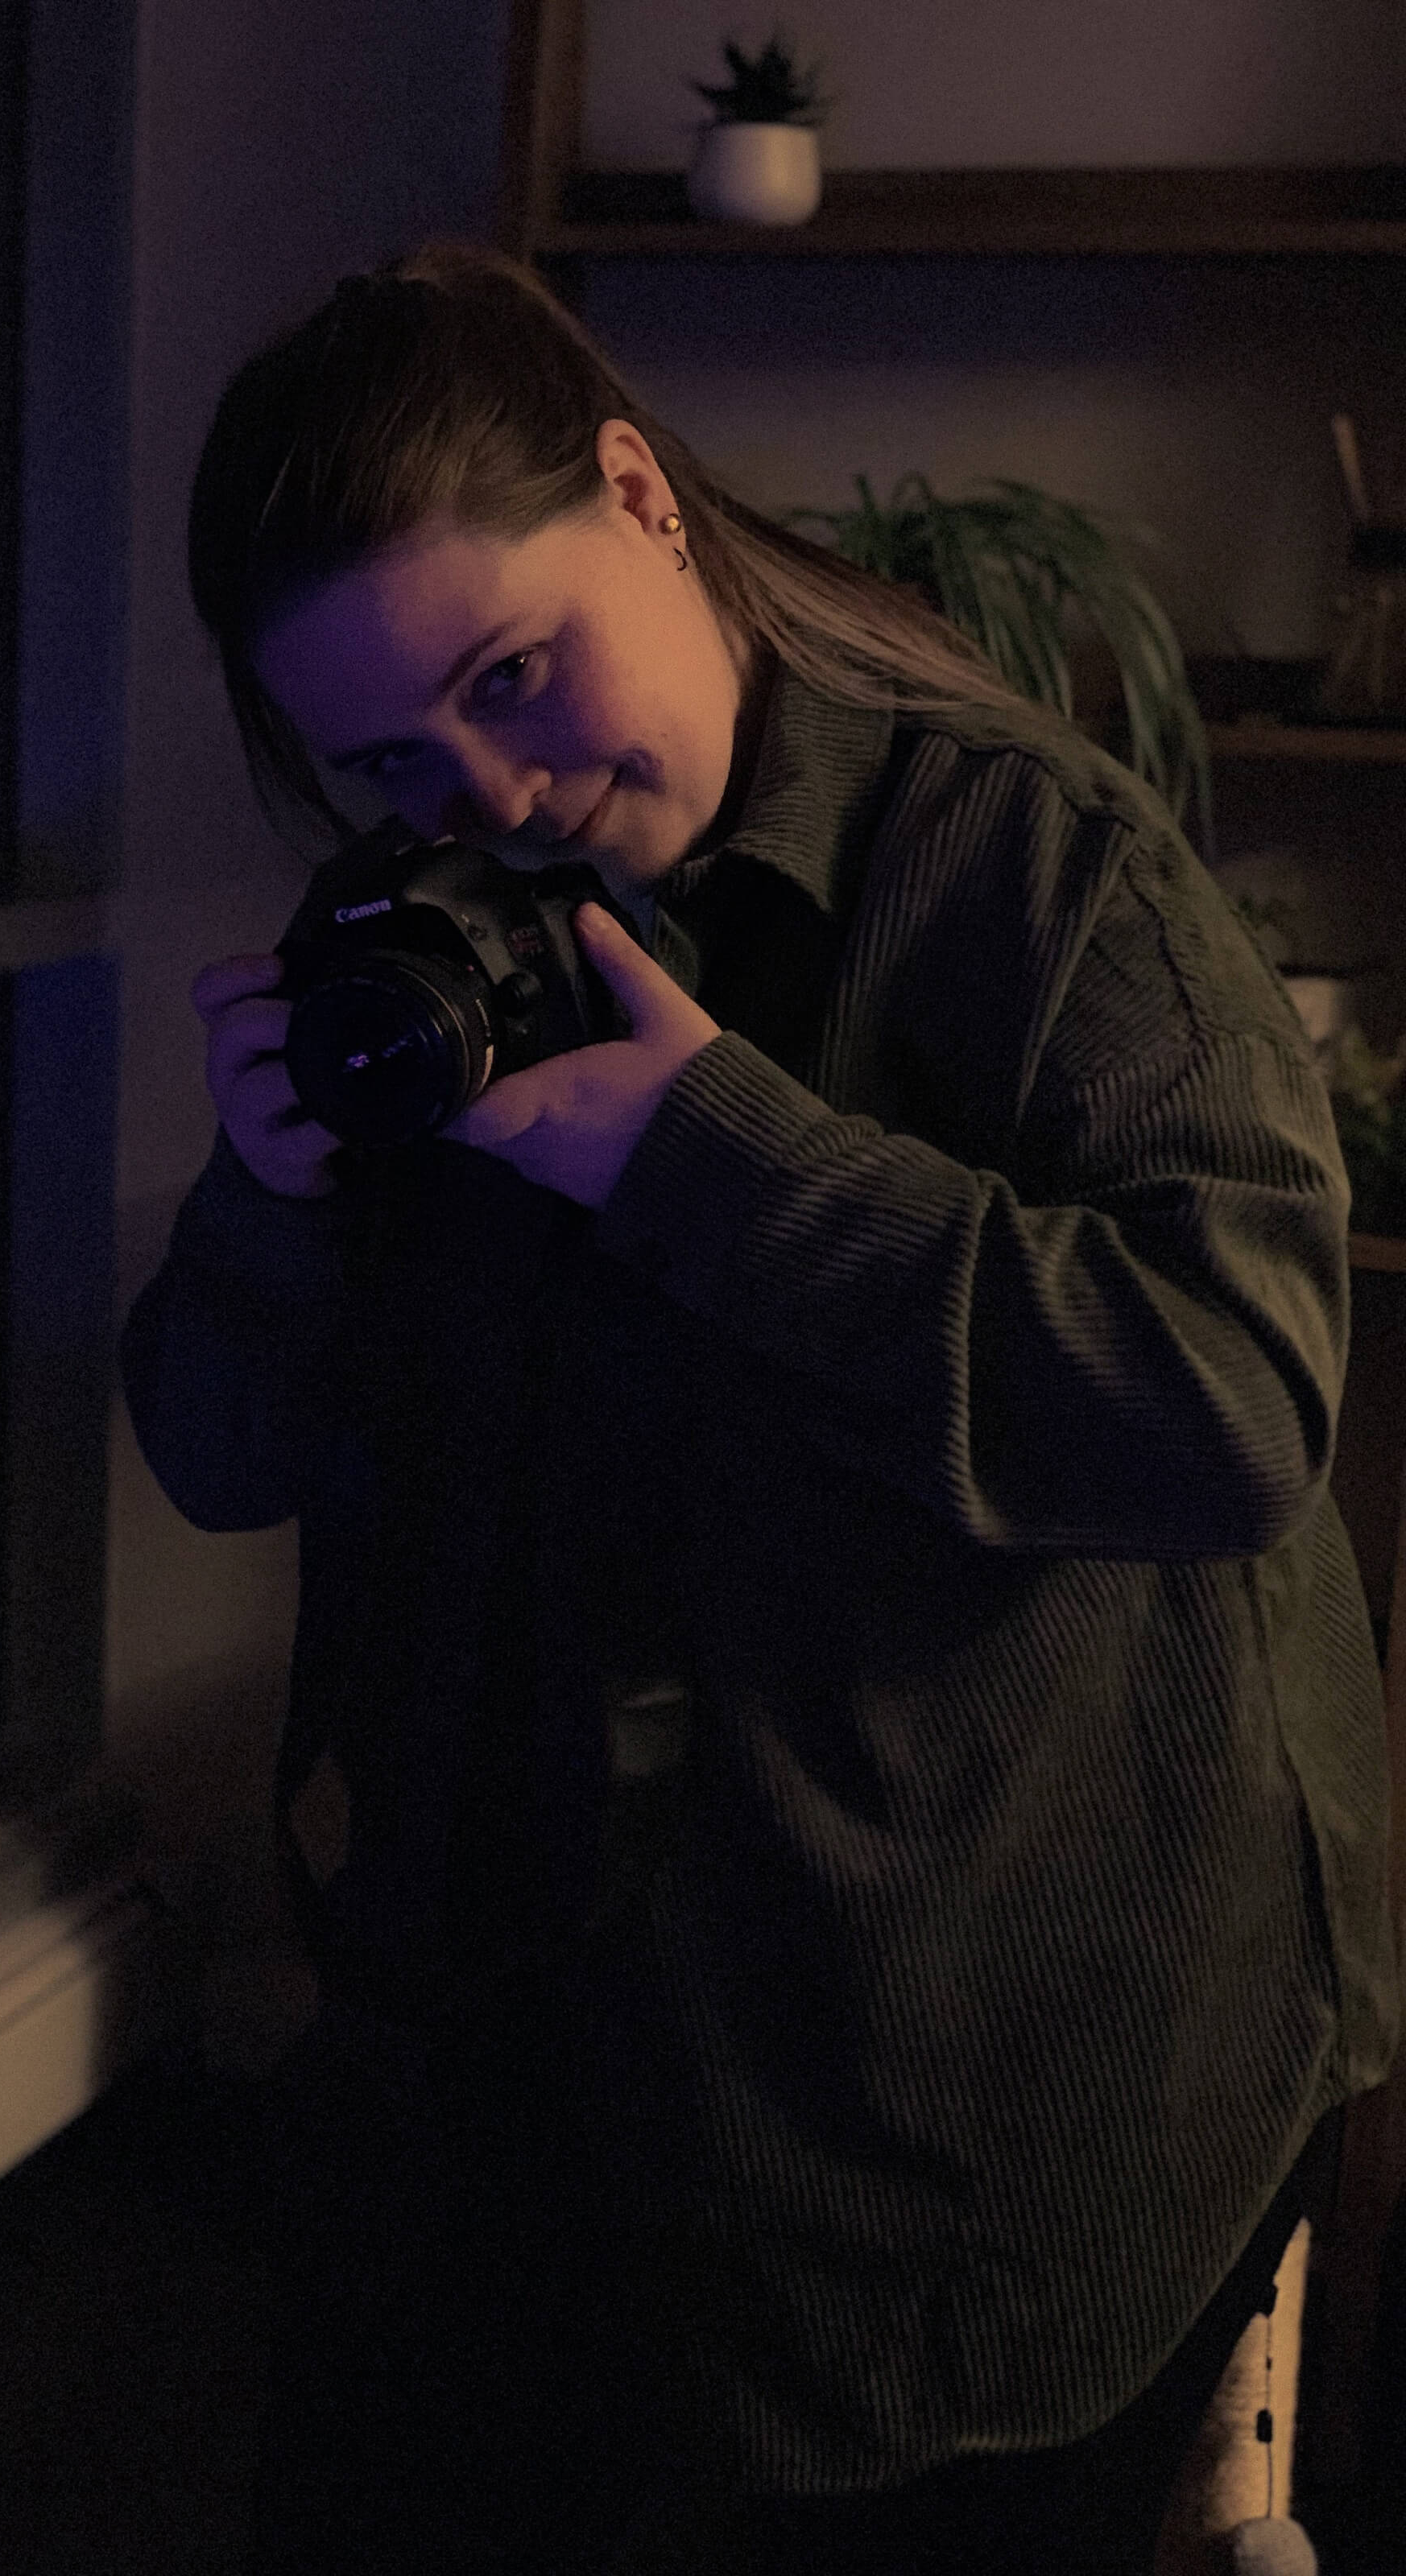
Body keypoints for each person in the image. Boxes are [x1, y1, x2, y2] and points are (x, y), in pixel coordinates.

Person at [119, 245, 1397, 2575]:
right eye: (393, 759)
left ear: (642, 493)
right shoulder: (432, 925)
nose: (494, 795)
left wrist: (712, 1160)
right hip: (566, 2019)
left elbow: (1233, 1404)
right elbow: (217, 1453)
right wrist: (277, 1198)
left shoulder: (1030, 872)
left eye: (517, 675)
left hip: (1004, 2021)